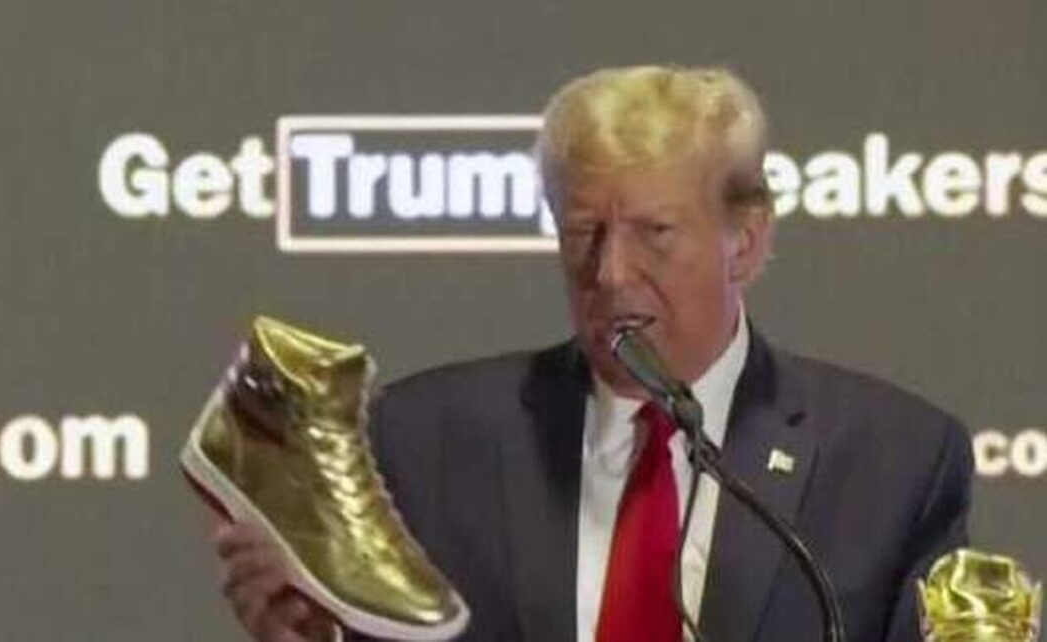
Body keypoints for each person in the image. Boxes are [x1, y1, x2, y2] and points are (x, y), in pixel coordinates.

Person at [209, 65, 973, 642]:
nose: (609, 273)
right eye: (583, 233)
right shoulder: (423, 441)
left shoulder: (895, 462)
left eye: (654, 233)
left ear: (744, 240)